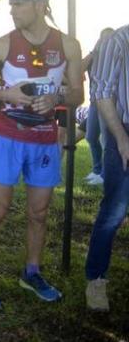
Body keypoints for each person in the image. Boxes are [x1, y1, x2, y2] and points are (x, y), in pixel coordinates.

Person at [0, 0, 83, 311]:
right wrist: (6, 94)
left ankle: (31, 273)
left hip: (45, 139)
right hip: (7, 137)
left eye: (17, 4)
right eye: (11, 4)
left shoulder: (68, 45)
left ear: (39, 4)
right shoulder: (2, 44)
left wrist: (56, 97)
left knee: (39, 212)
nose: (11, 10)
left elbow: (78, 95)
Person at [84, 24, 129, 312]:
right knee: (114, 211)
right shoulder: (119, 39)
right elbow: (101, 92)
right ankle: (96, 279)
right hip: (123, 131)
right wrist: (122, 138)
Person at [82, 28, 116, 185]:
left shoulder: (117, 56)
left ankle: (104, 174)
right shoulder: (94, 57)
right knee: (90, 136)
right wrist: (93, 51)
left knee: (107, 140)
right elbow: (79, 68)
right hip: (94, 103)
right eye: (103, 39)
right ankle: (97, 170)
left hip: (109, 104)